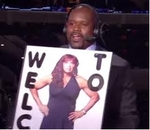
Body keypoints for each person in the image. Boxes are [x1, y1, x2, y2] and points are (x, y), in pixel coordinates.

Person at [62, 3, 140, 128]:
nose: (76, 29)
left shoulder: (118, 65)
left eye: (83, 24)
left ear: (96, 30)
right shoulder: (48, 58)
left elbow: (128, 117)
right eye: (71, 24)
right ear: (65, 28)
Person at [30, 54, 100, 129]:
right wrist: (40, 105)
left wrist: (83, 112)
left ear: (75, 65)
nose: (69, 66)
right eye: (66, 62)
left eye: (72, 63)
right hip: (49, 118)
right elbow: (32, 87)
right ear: (61, 64)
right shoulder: (51, 77)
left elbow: (95, 96)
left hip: (66, 120)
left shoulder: (80, 81)